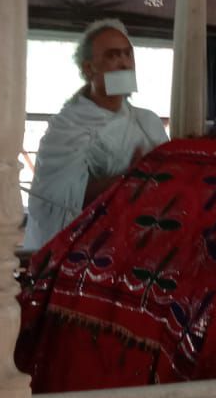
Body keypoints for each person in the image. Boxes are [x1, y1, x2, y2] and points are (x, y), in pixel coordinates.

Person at [24, 19, 168, 250]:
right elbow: (61, 202)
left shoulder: (147, 122)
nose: (124, 63)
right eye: (113, 56)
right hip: (87, 249)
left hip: (138, 246)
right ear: (88, 68)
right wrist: (131, 177)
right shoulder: (66, 129)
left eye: (128, 54)